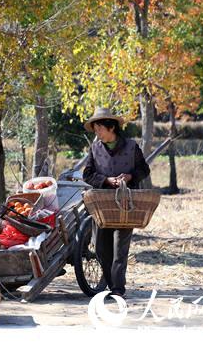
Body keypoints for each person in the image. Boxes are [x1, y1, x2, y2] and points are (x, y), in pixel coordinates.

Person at [82, 107, 151, 299]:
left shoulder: (131, 147)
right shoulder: (95, 149)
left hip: (126, 203)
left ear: (111, 127)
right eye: (95, 130)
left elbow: (144, 170)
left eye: (99, 129)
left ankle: (118, 289)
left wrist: (130, 176)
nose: (97, 133)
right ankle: (112, 283)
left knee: (120, 249)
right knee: (101, 248)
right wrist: (105, 180)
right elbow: (87, 174)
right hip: (102, 205)